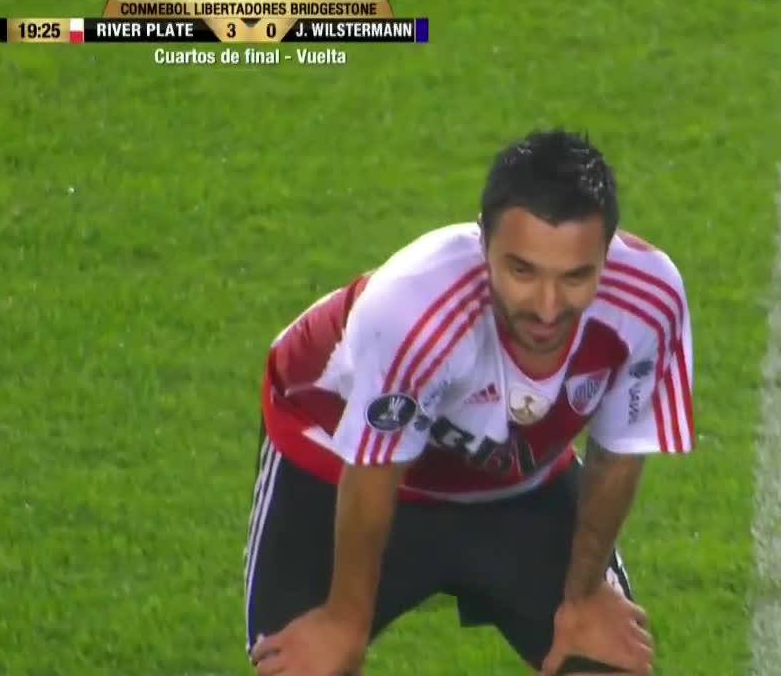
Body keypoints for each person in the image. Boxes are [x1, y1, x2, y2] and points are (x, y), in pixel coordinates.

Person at [243, 129, 695, 676]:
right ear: (483, 244)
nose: (548, 307)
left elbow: (618, 453)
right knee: (307, 666)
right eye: (522, 270)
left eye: (576, 276)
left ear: (607, 253)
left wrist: (582, 598)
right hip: (335, 457)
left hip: (514, 480)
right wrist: (343, 621)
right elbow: (372, 469)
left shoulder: (650, 298)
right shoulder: (415, 310)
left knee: (603, 661)